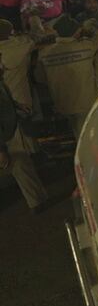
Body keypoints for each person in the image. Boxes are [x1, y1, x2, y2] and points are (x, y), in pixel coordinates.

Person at [36, 15, 98, 138]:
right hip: (86, 100)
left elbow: (40, 78)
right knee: (91, 135)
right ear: (75, 31)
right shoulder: (85, 46)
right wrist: (93, 28)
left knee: (77, 132)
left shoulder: (45, 53)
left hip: (63, 103)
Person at [0, 78, 48, 212]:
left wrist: (17, 106)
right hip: (5, 136)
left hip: (8, 133)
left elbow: (6, 103)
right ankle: (37, 201)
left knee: (22, 163)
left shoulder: (2, 83)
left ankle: (38, 200)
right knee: (19, 164)